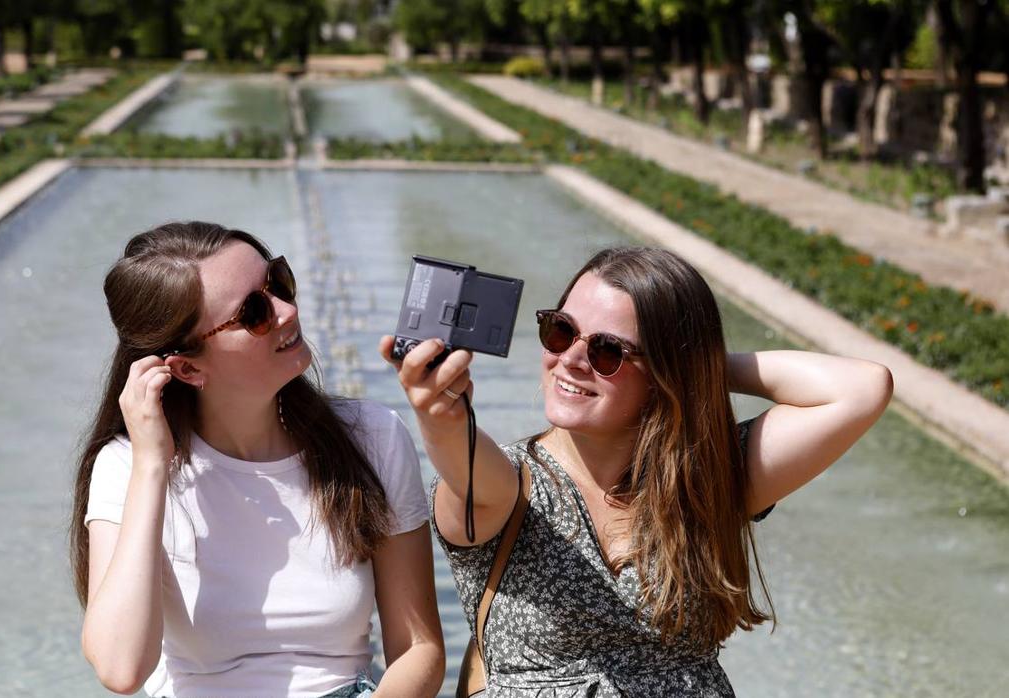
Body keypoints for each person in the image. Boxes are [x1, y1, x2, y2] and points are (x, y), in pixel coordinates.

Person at [379, 246, 894, 696]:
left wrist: (700, 367)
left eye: (607, 351)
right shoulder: (511, 486)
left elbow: (861, 389)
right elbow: (464, 459)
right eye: (561, 332)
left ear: (664, 374)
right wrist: (440, 414)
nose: (572, 360)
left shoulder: (704, 477)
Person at [72, 221, 444, 697]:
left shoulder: (371, 437)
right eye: (254, 312)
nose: (288, 311)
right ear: (187, 367)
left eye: (279, 282)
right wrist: (151, 467)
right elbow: (121, 670)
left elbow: (420, 649)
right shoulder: (127, 466)